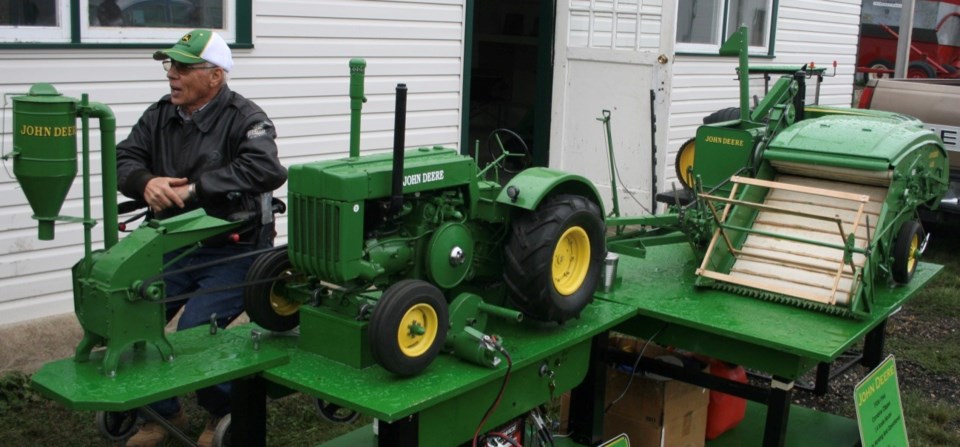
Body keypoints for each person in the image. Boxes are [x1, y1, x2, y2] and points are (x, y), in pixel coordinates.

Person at [116, 29, 287, 447]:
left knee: (196, 331)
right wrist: (146, 181)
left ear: (215, 76)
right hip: (171, 243)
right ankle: (159, 414)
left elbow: (267, 170)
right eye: (169, 65)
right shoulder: (160, 114)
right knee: (130, 316)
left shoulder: (247, 119)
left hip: (235, 247)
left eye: (183, 67)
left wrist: (192, 190)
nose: (171, 74)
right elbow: (124, 157)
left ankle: (223, 409)